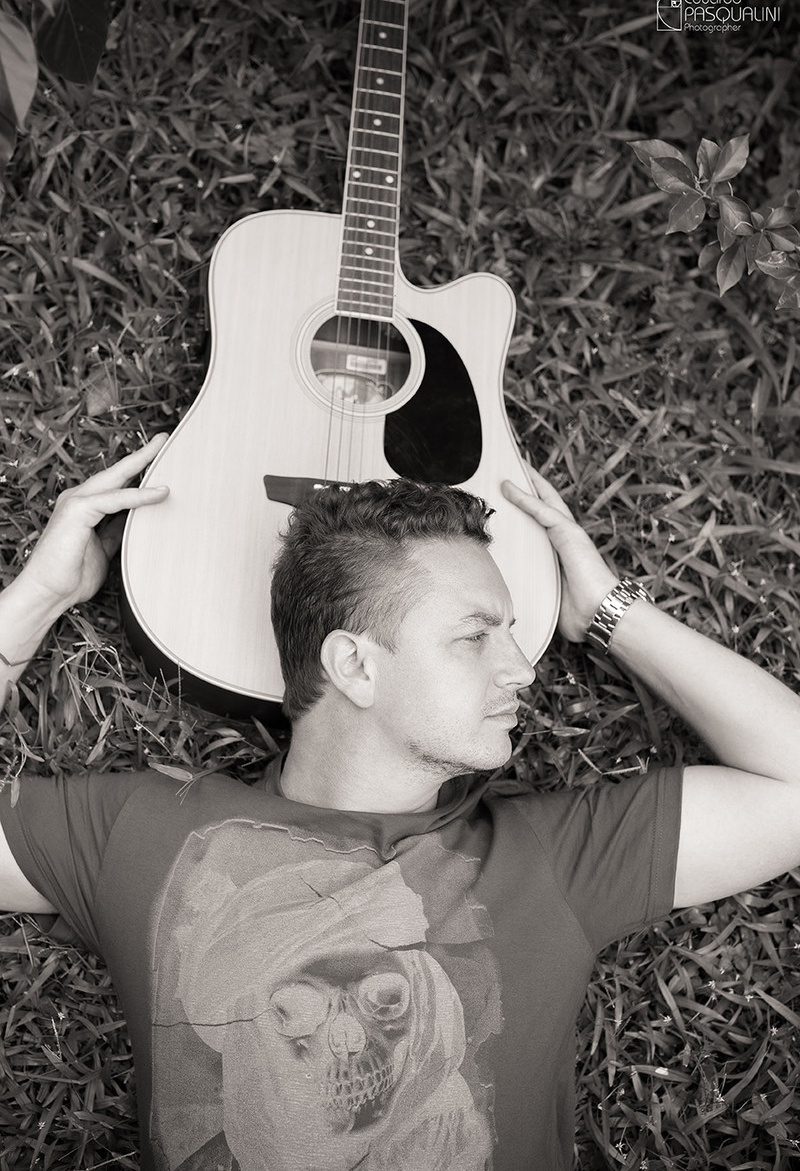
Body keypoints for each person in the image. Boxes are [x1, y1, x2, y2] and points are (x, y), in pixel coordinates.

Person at [1, 434, 799, 1171]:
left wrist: (611, 614)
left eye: (513, 631)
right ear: (355, 665)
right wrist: (39, 596)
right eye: (474, 635)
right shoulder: (146, 836)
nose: (522, 667)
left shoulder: (553, 859)